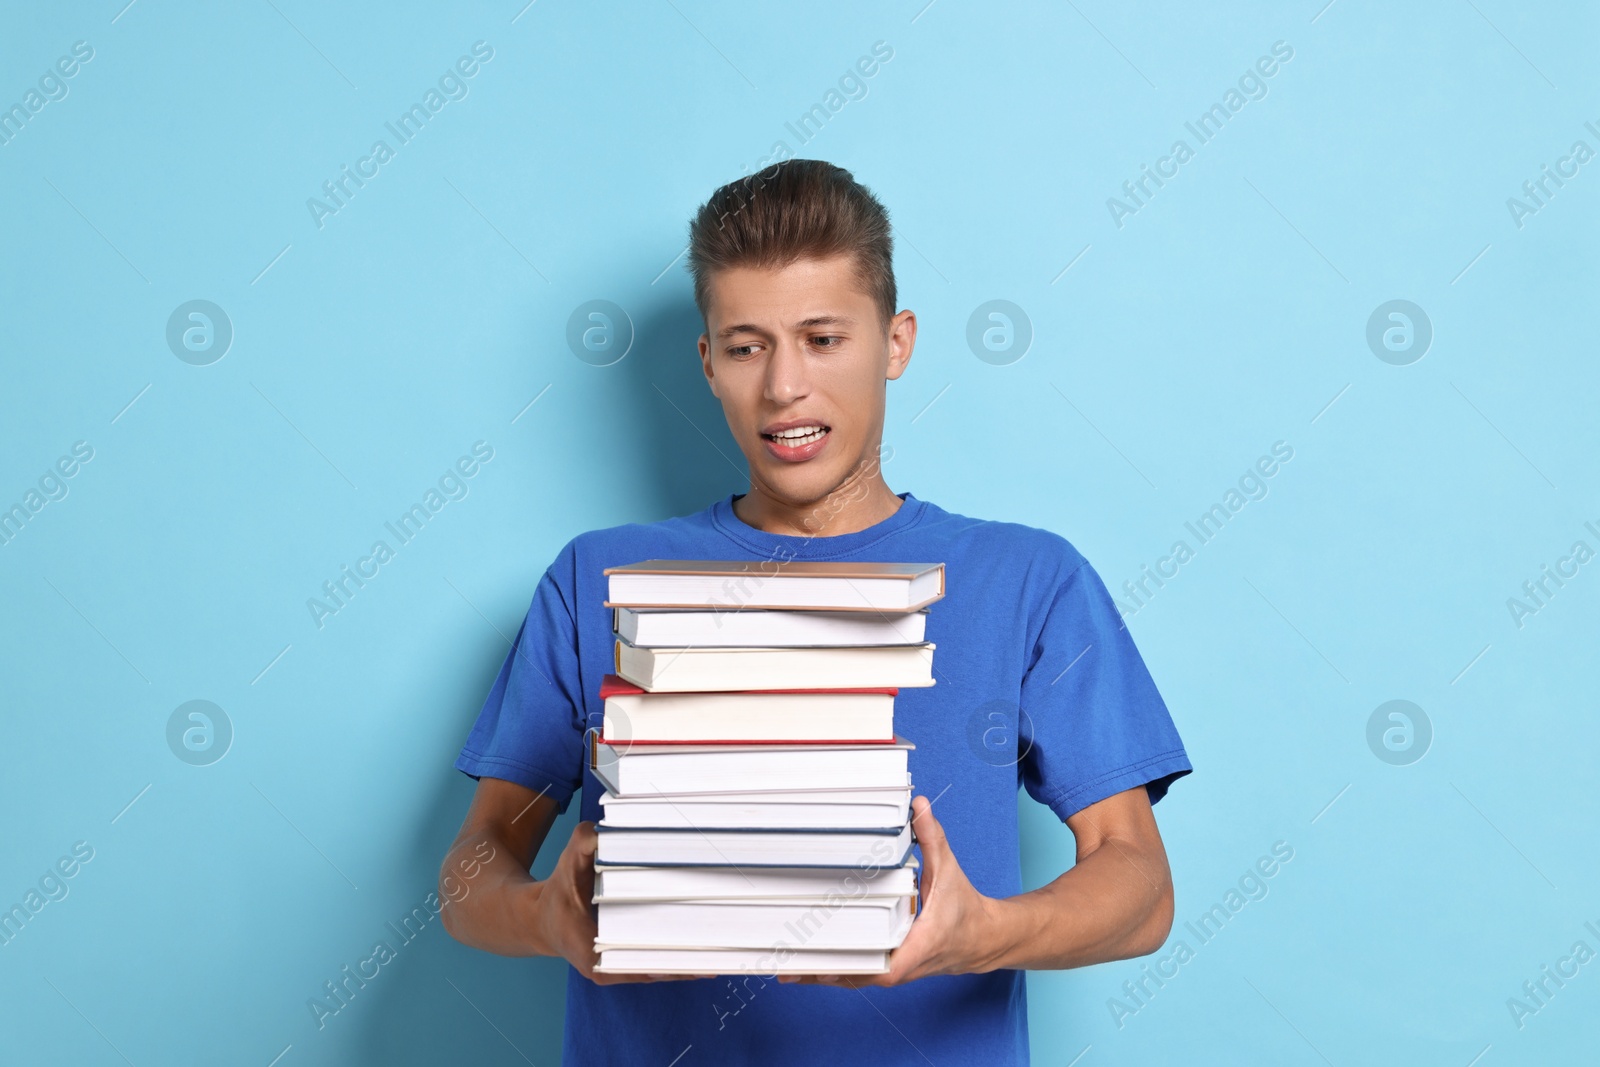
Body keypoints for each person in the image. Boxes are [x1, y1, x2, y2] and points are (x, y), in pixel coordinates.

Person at [439, 159, 1193, 1065]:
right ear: (709, 363)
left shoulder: (1028, 579)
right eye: (748, 344)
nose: (785, 385)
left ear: (897, 342)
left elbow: (1140, 884)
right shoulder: (596, 580)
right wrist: (545, 916)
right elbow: (472, 869)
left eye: (823, 337)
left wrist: (982, 931)